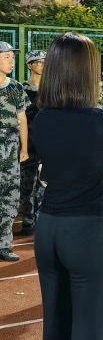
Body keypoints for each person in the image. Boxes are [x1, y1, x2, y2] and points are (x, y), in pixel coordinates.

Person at [32, 32, 103, 340]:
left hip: (48, 227)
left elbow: (49, 166)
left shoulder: (42, 118)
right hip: (90, 229)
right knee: (89, 329)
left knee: (55, 327)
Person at [0, 41, 28, 262]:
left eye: (12, 57)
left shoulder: (16, 87)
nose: (12, 61)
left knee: (10, 196)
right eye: (7, 57)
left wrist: (24, 148)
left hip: (10, 147)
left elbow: (22, 119)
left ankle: (4, 244)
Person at [19, 49, 46, 236]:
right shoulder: (22, 89)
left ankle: (41, 220)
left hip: (47, 142)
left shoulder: (51, 90)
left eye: (45, 62)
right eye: (39, 62)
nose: (43, 65)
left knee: (45, 183)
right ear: (29, 65)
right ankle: (28, 220)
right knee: (28, 183)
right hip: (28, 143)